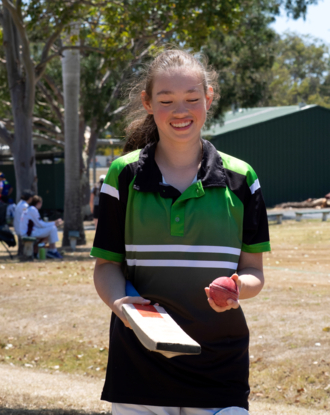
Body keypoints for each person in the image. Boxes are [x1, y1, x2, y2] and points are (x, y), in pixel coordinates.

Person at [91, 50, 271, 415]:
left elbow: (254, 271)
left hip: (220, 368)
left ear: (208, 98)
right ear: (147, 103)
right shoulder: (123, 176)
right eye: (166, 100)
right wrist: (120, 305)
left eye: (192, 99)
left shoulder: (242, 179)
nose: (180, 110)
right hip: (139, 367)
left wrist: (237, 288)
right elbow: (107, 266)